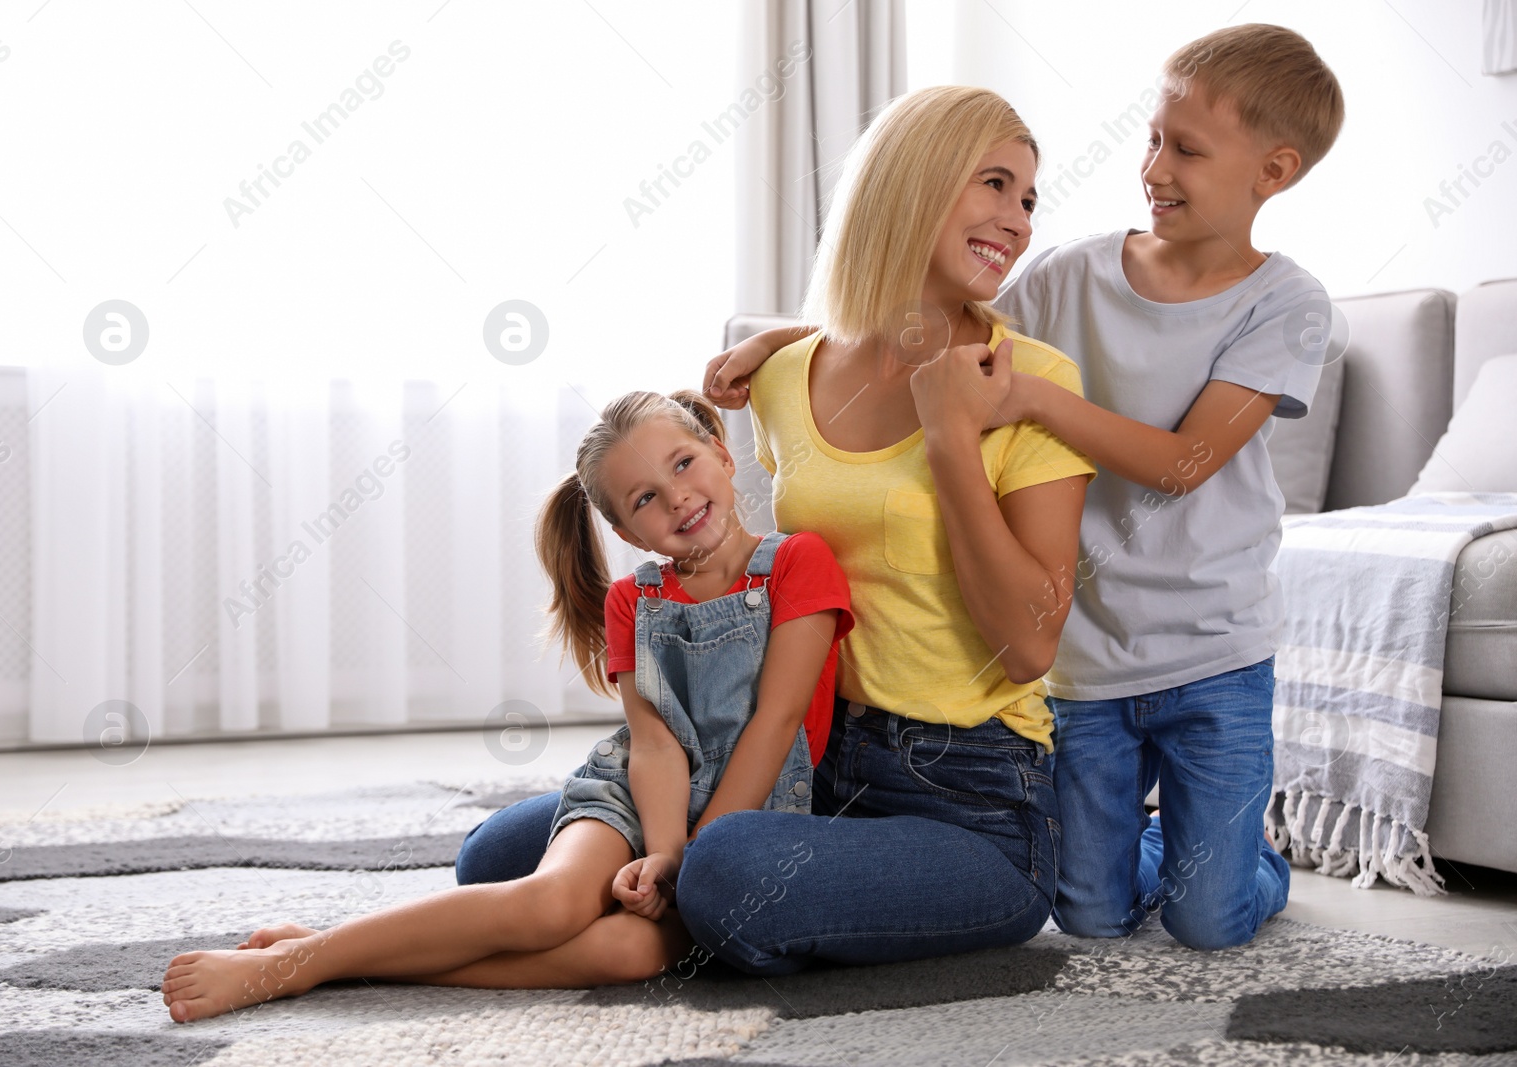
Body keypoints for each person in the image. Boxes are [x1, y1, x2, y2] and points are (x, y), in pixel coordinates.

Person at [706, 25, 1345, 951]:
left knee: (1209, 917)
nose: (1155, 166)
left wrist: (1032, 401)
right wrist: (785, 341)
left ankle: (1248, 856)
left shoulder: (1284, 303)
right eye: (1154, 139)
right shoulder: (1070, 274)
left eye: (1188, 149)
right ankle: (1182, 840)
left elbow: (1181, 464)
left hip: (1213, 645)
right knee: (1090, 909)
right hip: (1087, 655)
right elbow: (934, 316)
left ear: (1273, 171)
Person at [456, 85, 1096, 976]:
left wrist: (951, 435)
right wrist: (782, 342)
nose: (1019, 221)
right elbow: (837, 346)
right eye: (996, 184)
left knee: (719, 869)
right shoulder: (789, 374)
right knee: (491, 858)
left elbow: (1029, 646)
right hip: (807, 759)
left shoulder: (1030, 382)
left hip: (973, 800)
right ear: (912, 182)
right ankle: (684, 913)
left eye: (1029, 198)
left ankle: (380, 962)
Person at [160, 389, 853, 1019]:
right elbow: (654, 743)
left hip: (746, 816)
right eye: (643, 498)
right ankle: (289, 966)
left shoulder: (798, 561)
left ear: (724, 456)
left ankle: (339, 960)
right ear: (627, 533)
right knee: (550, 903)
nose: (675, 497)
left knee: (627, 954)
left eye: (682, 463)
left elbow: (774, 721)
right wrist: (666, 850)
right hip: (637, 797)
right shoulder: (633, 601)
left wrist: (693, 863)